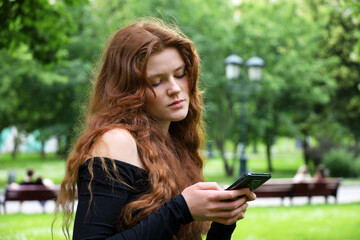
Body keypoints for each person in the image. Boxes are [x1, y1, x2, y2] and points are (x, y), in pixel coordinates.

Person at [54, 19, 256, 240]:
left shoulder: (174, 142)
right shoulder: (117, 141)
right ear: (129, 90)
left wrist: (222, 222)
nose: (175, 89)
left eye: (179, 74)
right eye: (157, 82)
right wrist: (181, 209)